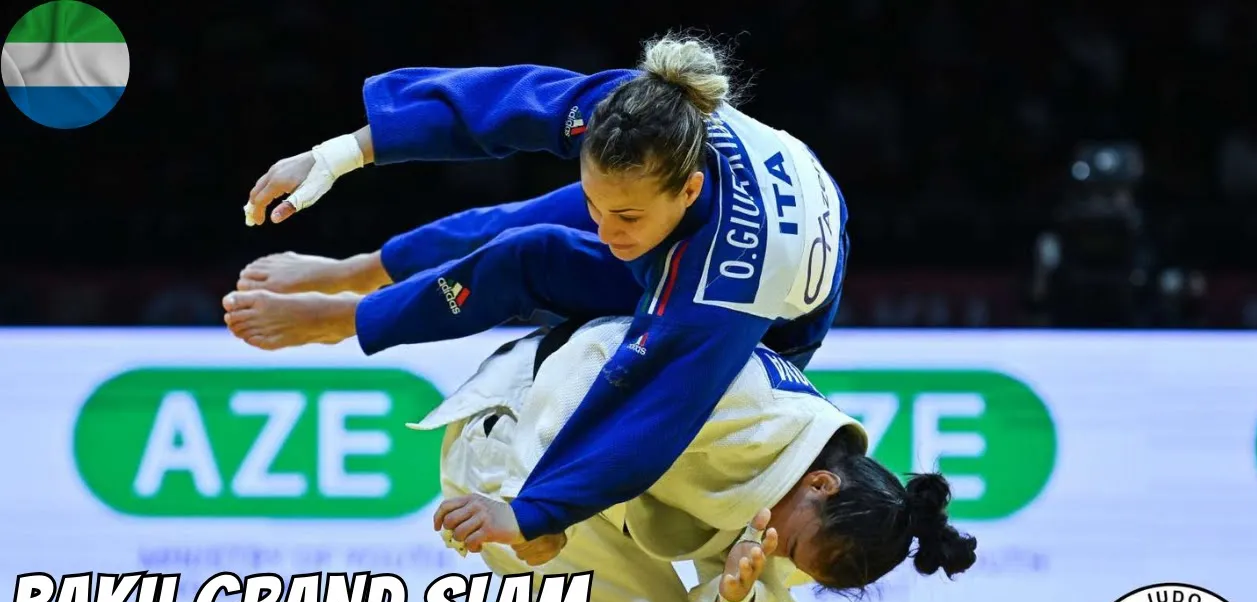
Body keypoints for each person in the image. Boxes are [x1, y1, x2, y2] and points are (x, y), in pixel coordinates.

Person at [226, 31, 850, 559]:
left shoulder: (721, 286)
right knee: (525, 233)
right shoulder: (635, 113)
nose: (605, 231)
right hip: (710, 211)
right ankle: (358, 275)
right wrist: (336, 156)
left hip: (771, 328)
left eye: (625, 218)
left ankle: (352, 317)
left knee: (611, 356)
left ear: (687, 191)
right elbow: (500, 101)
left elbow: (650, 406)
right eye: (598, 206)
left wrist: (536, 513)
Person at [381, 315, 977, 602]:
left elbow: (771, 558)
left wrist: (736, 600)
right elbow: (595, 350)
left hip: (582, 487)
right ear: (822, 485)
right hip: (516, 443)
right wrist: (532, 508)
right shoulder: (746, 407)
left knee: (735, 595)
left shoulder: (804, 464)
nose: (784, 558)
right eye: (794, 550)